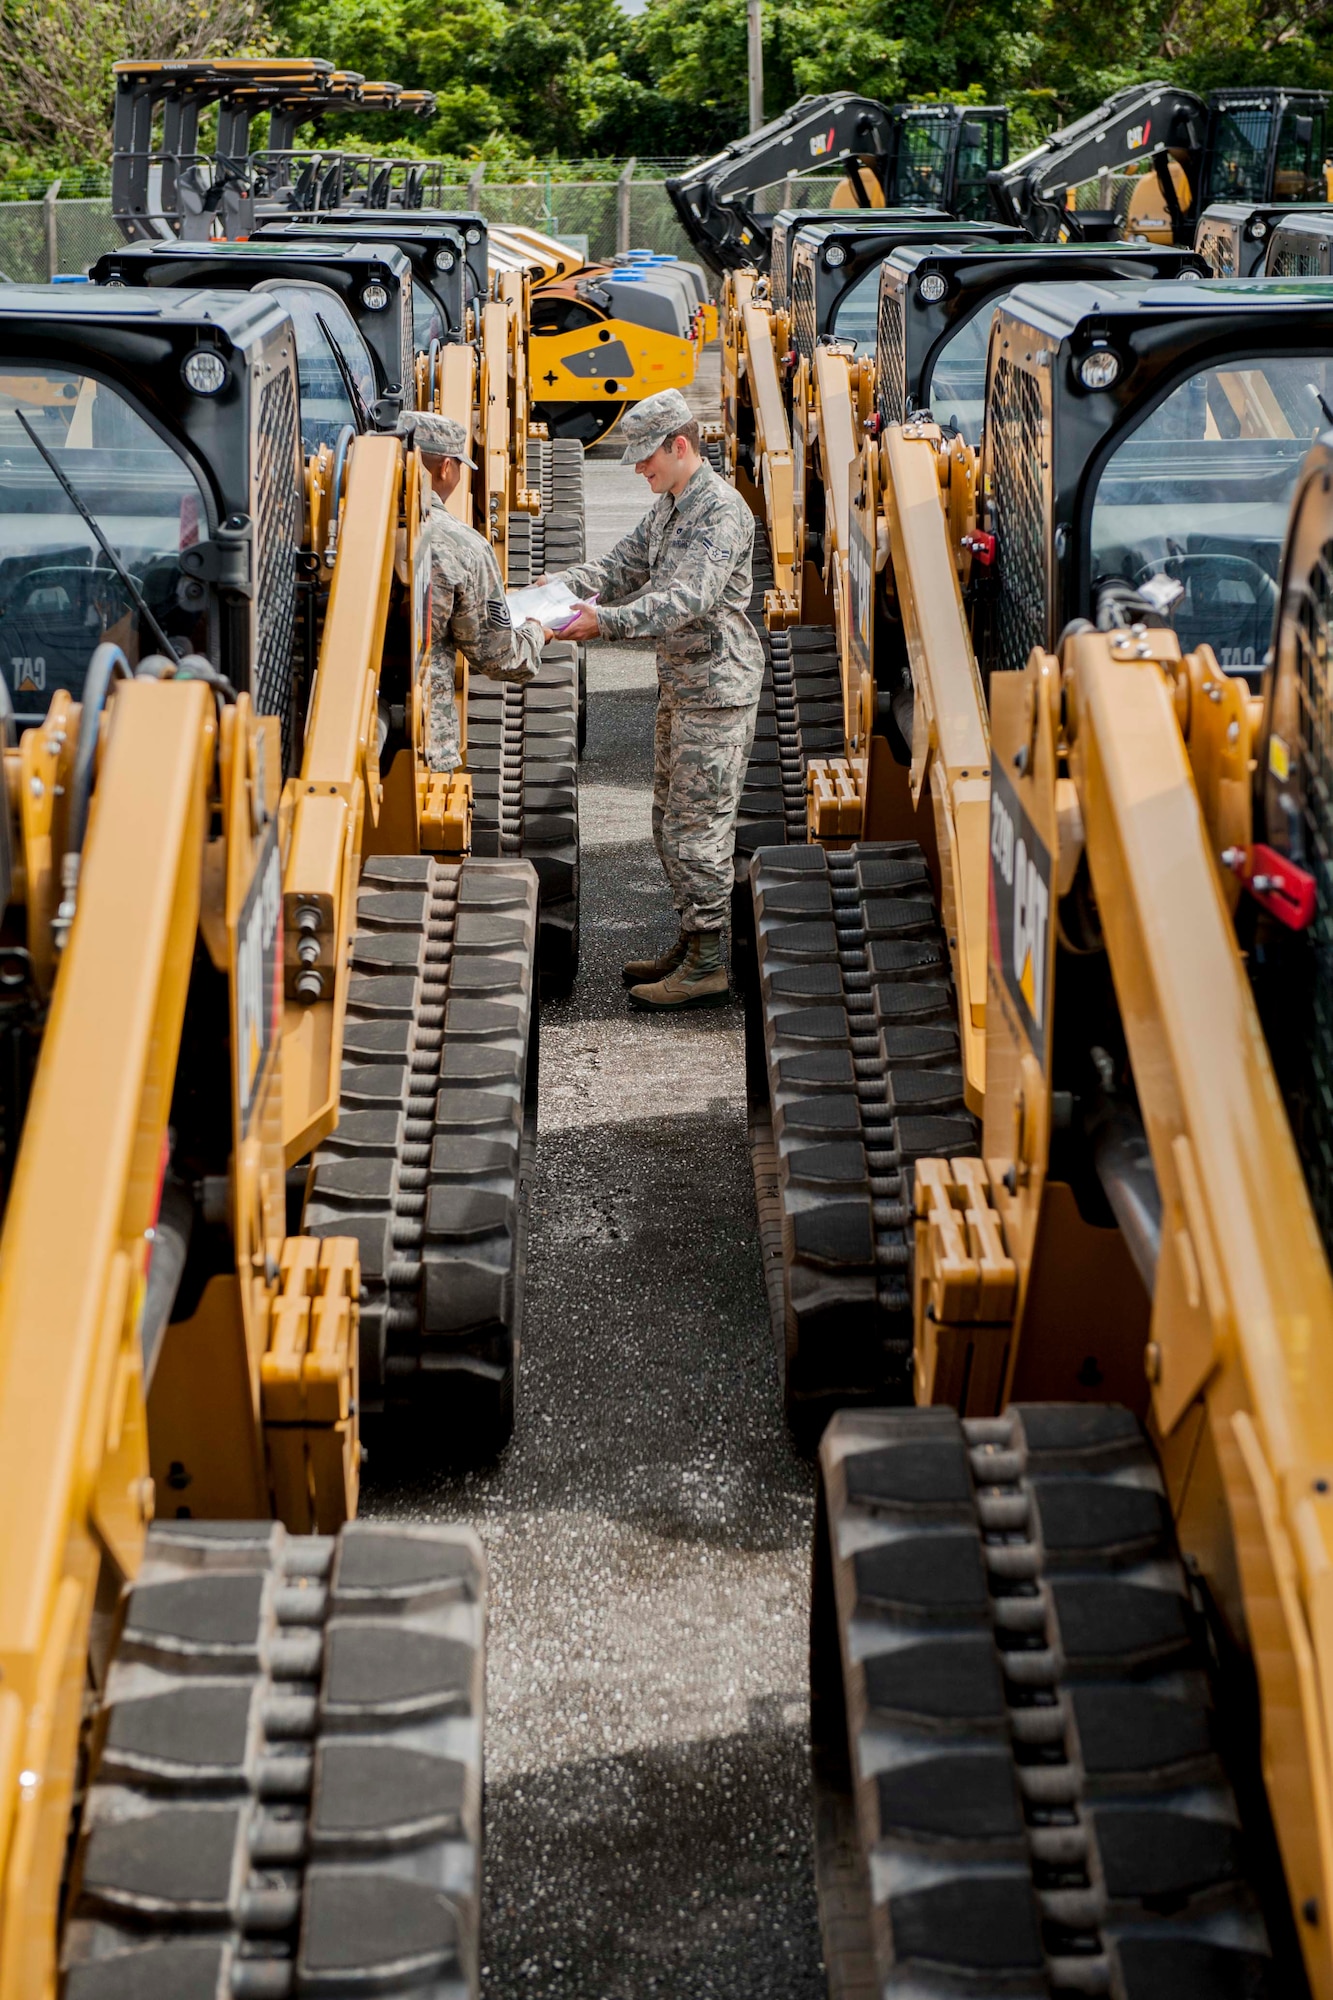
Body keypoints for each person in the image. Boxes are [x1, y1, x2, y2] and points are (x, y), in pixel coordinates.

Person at [551, 388, 763, 1011]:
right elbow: (622, 566)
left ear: (680, 446)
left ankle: (709, 962)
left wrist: (604, 624)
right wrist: (559, 588)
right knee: (668, 822)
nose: (640, 469)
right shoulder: (672, 504)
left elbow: (687, 600)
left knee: (698, 830)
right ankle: (692, 938)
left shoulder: (719, 512)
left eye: (647, 457)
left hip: (717, 690)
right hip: (684, 684)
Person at [398, 412, 545, 771]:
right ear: (447, 467)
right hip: (423, 743)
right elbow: (498, 656)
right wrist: (538, 630)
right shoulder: (462, 546)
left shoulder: (338, 524)